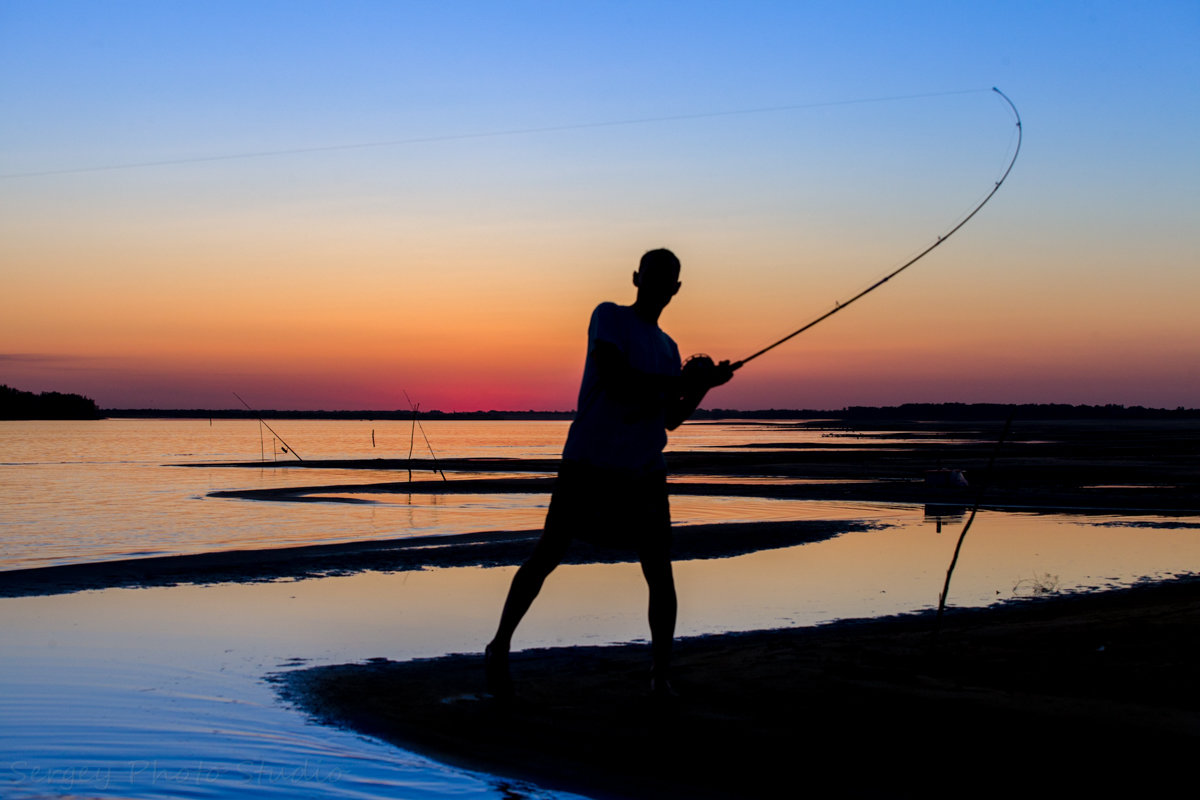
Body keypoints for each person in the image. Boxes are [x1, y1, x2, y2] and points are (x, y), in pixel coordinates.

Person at [486, 248, 732, 697]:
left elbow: (669, 419)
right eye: (652, 277)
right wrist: (683, 382)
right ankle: (499, 645)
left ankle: (660, 673)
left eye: (667, 281)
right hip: (589, 463)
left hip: (644, 471)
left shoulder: (668, 347)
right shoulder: (609, 317)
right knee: (548, 554)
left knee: (660, 570)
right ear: (637, 278)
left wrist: (700, 388)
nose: (659, 286)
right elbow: (618, 380)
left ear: (676, 289)